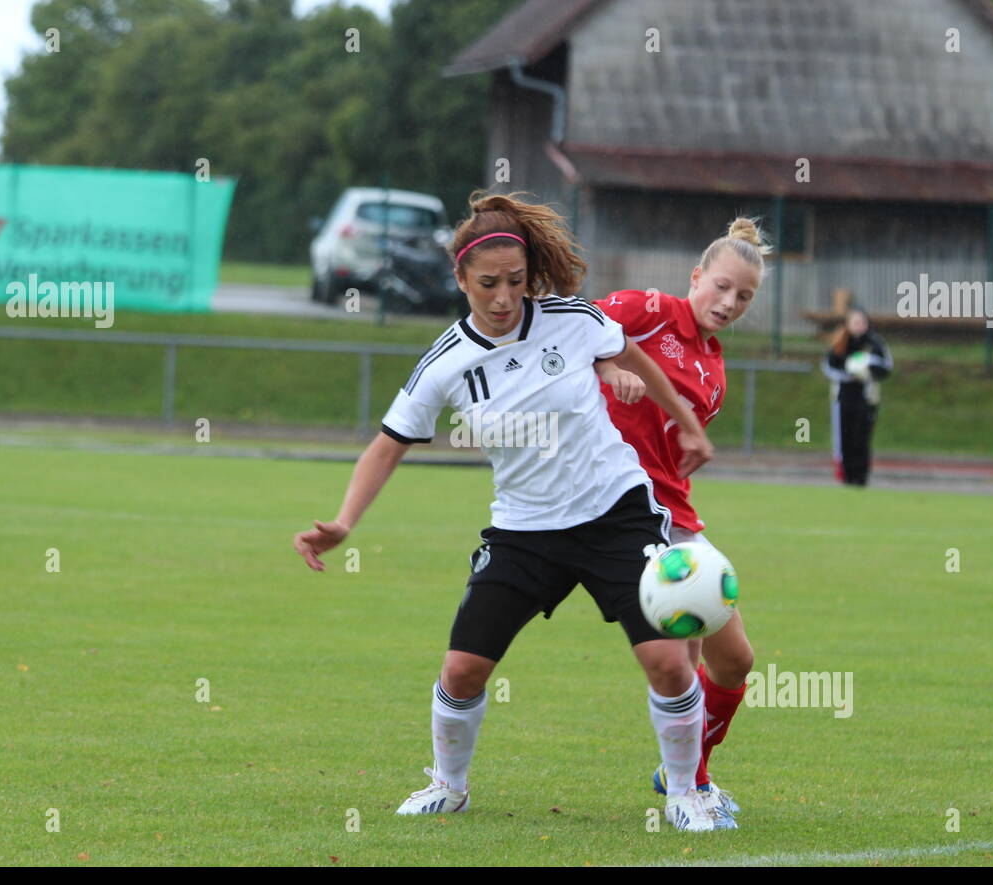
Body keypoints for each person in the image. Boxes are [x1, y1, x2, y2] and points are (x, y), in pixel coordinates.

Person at [293, 191, 725, 831]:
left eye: (516, 283)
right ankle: (448, 785)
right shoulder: (446, 360)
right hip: (524, 531)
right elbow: (387, 446)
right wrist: (344, 523)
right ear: (460, 279)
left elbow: (627, 351)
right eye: (487, 284)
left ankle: (687, 794)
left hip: (616, 512)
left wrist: (685, 421)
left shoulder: (571, 319)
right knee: (462, 669)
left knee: (667, 660)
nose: (503, 297)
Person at [590, 218, 768, 830]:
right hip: (619, 508)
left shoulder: (715, 373)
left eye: (743, 297)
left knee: (735, 661)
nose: (729, 303)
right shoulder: (645, 309)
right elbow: (563, 342)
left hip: (675, 514)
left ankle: (687, 772)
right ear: (696, 277)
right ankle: (688, 785)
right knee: (685, 658)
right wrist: (609, 373)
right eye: (721, 287)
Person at [821, 306, 893, 486]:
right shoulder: (840, 343)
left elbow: (886, 367)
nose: (858, 325)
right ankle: (846, 476)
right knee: (844, 437)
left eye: (862, 322)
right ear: (847, 324)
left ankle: (861, 477)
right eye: (854, 322)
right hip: (843, 397)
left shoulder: (875, 343)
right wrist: (848, 375)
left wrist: (867, 371)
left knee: (861, 438)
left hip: (866, 397)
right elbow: (829, 367)